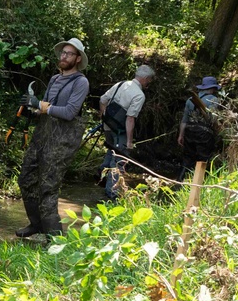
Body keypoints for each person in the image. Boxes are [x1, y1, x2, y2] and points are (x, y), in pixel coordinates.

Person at [16, 38, 91, 238]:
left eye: (69, 54)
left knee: (48, 186)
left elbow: (69, 113)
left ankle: (55, 238)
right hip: (42, 137)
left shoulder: (81, 82)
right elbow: (46, 109)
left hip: (62, 143)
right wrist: (30, 110)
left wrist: (40, 104)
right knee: (25, 178)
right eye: (62, 53)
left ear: (77, 59)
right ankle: (36, 224)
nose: (64, 56)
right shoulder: (54, 79)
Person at [99, 65, 155, 200]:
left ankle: (100, 178)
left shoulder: (121, 84)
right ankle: (112, 194)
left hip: (108, 126)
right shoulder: (139, 95)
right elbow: (130, 118)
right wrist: (129, 141)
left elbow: (102, 100)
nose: (149, 83)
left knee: (110, 151)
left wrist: (104, 115)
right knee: (119, 159)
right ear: (145, 79)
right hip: (120, 131)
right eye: (149, 80)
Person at [178, 76, 221, 178]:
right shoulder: (214, 100)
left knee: (188, 158)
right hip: (204, 134)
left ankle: (179, 181)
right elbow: (213, 120)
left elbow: (184, 120)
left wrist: (181, 135)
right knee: (203, 158)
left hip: (189, 131)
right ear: (212, 88)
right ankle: (200, 184)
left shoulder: (190, 100)